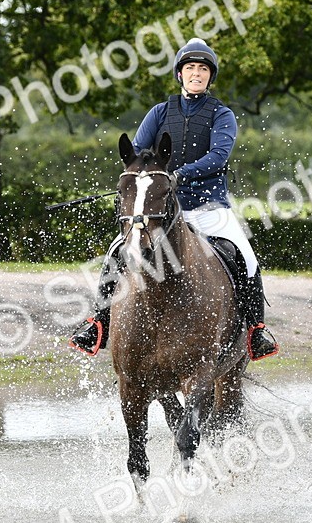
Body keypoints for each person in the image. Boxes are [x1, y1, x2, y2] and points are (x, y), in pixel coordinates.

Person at [69, 38, 279, 361]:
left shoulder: (222, 116)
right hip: (161, 212)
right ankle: (98, 321)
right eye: (191, 68)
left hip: (208, 208)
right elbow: (137, 154)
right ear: (180, 74)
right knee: (117, 251)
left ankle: (255, 330)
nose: (197, 74)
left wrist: (179, 174)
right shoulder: (159, 113)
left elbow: (219, 157)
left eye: (203, 69)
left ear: (210, 76)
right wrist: (146, 178)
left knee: (246, 257)